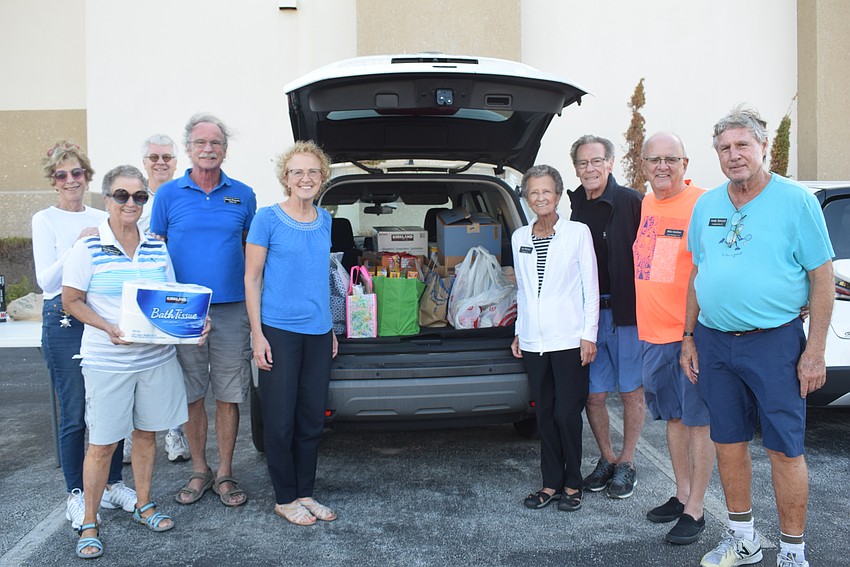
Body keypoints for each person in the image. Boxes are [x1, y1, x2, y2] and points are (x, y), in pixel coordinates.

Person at [680, 106, 834, 567]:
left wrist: (815, 351)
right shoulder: (707, 204)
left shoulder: (795, 201)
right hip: (714, 341)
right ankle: (743, 539)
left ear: (763, 147)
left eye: (743, 145)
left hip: (774, 342)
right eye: (725, 148)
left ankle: (792, 552)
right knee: (728, 442)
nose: (734, 155)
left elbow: (821, 278)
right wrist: (688, 337)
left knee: (784, 448)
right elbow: (696, 272)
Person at [62, 165, 204, 559]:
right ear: (107, 199)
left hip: (156, 360)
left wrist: (195, 324)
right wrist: (106, 325)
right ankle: (89, 522)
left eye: (139, 197)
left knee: (146, 436)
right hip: (108, 362)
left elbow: (173, 297)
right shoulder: (88, 247)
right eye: (122, 195)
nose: (131, 203)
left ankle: (143, 504)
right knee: (103, 445)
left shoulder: (157, 246)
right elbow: (70, 300)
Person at [150, 113, 256, 507]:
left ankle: (225, 472)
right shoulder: (168, 195)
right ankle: (200, 469)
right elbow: (154, 251)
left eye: (215, 143)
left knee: (229, 395)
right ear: (189, 149)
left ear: (224, 150)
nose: (208, 149)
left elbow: (251, 251)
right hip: (183, 311)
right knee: (192, 394)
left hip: (231, 309)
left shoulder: (243, 195)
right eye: (200, 143)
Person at [31, 141, 136, 531]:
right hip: (63, 316)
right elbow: (46, 280)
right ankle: (76, 493)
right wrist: (79, 245)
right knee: (74, 411)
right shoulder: (46, 220)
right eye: (62, 175)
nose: (71, 180)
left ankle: (112, 483)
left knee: (111, 405)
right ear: (53, 181)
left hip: (103, 314)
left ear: (87, 176)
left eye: (77, 173)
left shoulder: (101, 213)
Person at [245, 140, 338, 525]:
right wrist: (257, 335)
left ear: (322, 178)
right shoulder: (267, 218)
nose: (305, 178)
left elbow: (322, 280)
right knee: (279, 421)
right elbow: (251, 278)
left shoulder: (326, 219)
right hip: (278, 331)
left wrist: (330, 329)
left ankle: (305, 493)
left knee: (311, 420)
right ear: (285, 178)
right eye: (297, 171)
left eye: (313, 171)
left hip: (318, 333)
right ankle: (284, 498)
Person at [632, 132, 714, 545]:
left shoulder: (703, 203)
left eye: (670, 159)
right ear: (643, 165)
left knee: (699, 422)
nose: (661, 166)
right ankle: (681, 495)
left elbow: (707, 272)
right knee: (674, 419)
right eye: (653, 160)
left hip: (688, 337)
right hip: (652, 335)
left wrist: (689, 334)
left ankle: (697, 510)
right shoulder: (647, 202)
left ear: (685, 163)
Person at [511, 164, 599, 513]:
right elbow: (521, 289)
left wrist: (588, 335)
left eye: (547, 191)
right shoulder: (520, 237)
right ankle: (550, 483)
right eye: (534, 192)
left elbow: (590, 288)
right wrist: (520, 331)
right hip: (534, 341)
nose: (540, 197)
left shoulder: (578, 233)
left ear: (558, 195)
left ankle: (573, 482)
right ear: (527, 198)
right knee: (544, 413)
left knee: (566, 413)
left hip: (569, 339)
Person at [567, 135, 644, 499]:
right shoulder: (577, 204)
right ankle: (608, 458)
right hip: (591, 315)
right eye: (583, 163)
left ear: (610, 163)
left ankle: (627, 463)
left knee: (630, 392)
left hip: (628, 314)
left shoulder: (632, 201)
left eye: (596, 161)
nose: (590, 169)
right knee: (594, 396)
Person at [122, 133, 190, 466]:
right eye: (154, 157)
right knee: (131, 369)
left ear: (176, 162)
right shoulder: (133, 197)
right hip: (134, 297)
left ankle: (174, 433)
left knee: (173, 370)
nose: (160, 162)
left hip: (172, 292)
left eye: (167, 157)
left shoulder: (182, 194)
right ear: (144, 161)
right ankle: (124, 436)